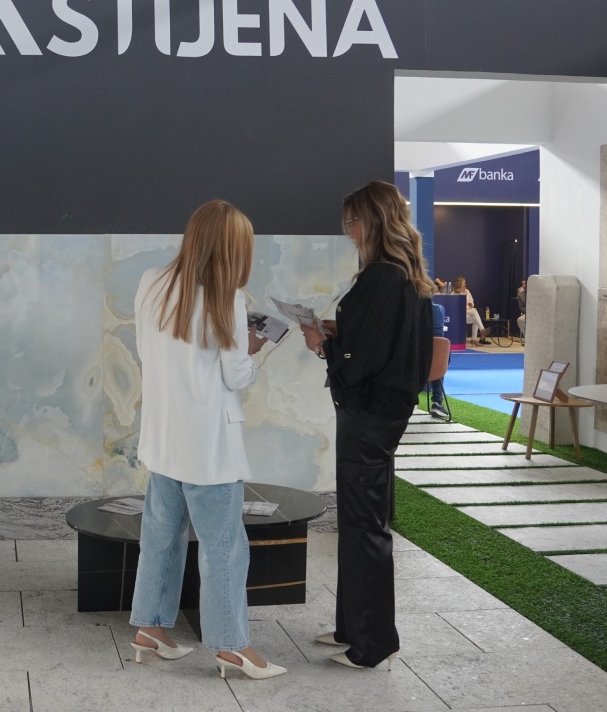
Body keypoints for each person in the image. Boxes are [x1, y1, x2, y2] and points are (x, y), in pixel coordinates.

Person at [129, 200, 284, 680]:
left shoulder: (151, 282)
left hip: (163, 436)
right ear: (233, 248)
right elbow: (236, 377)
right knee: (223, 548)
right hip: (209, 446)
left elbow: (148, 352)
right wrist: (253, 349)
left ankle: (150, 628)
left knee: (161, 536)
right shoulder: (227, 299)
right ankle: (232, 647)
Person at [300, 180, 433, 670]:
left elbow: (364, 361)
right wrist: (342, 333)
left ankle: (372, 643)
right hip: (383, 412)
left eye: (352, 222)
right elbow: (388, 343)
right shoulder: (404, 273)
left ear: (371, 221)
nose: (349, 232)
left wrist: (321, 343)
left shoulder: (381, 276)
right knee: (360, 524)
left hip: (369, 415)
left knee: (363, 527)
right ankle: (352, 628)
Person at [428, 299, 449, 421]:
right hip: (437, 363)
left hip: (413, 363)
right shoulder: (439, 309)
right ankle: (437, 402)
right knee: (437, 357)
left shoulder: (410, 309)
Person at [452, 276, 488, 345]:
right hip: (459, 314)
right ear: (460, 283)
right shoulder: (454, 293)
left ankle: (474, 339)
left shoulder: (467, 291)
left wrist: (471, 305)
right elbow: (455, 306)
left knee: (476, 319)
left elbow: (472, 302)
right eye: (464, 283)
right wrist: (468, 307)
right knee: (475, 312)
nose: (465, 284)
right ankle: (482, 330)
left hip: (467, 313)